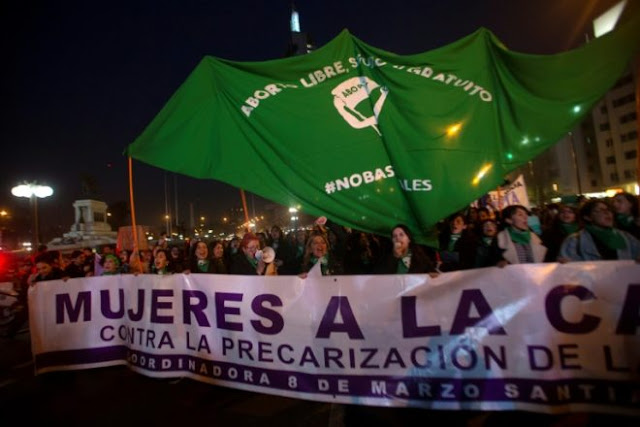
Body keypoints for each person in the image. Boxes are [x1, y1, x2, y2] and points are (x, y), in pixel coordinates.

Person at [559, 199, 640, 261]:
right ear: (588, 217)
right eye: (600, 210)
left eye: (608, 210)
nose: (606, 213)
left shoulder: (627, 238)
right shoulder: (575, 240)